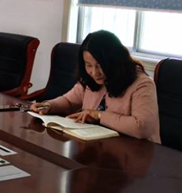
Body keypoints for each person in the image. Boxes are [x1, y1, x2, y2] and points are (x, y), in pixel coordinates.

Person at [30, 30, 160, 143]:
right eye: (88, 65)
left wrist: (99, 115)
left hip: (135, 152)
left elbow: (141, 128)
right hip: (97, 147)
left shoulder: (142, 84)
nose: (94, 72)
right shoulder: (90, 80)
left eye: (99, 65)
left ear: (114, 61)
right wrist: (48, 105)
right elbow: (69, 101)